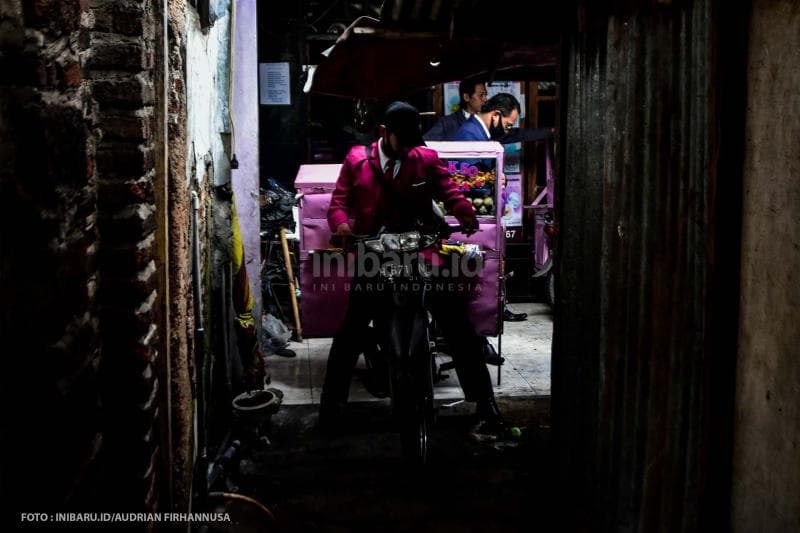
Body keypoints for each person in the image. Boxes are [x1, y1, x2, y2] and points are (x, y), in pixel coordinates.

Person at [319, 101, 505, 436]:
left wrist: (463, 210)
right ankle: (330, 409)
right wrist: (342, 227)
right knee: (350, 333)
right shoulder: (357, 161)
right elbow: (339, 203)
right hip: (374, 255)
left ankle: (485, 402)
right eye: (401, 139)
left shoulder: (425, 158)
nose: (407, 148)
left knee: (457, 323)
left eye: (411, 140)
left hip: (422, 253)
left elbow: (450, 192)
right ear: (383, 133)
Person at [453, 92, 534, 322]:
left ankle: (491, 319)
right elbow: (464, 178)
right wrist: (493, 179)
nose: (508, 130)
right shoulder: (470, 135)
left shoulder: (480, 133)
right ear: (496, 115)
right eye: (508, 125)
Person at [423, 78, 488, 141]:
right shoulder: (446, 123)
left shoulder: (489, 120)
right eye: (481, 95)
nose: (485, 99)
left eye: (486, 95)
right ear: (466, 97)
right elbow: (424, 143)